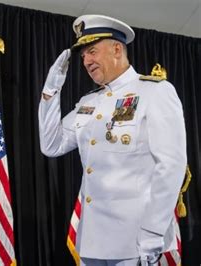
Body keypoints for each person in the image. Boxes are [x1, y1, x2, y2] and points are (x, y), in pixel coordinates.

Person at [38, 14, 186, 266]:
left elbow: (171, 166)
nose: (86, 60)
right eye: (83, 55)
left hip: (135, 239)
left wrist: (153, 231)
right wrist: (52, 89)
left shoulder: (154, 91)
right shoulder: (89, 102)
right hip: (92, 240)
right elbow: (51, 144)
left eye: (92, 51)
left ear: (117, 49)